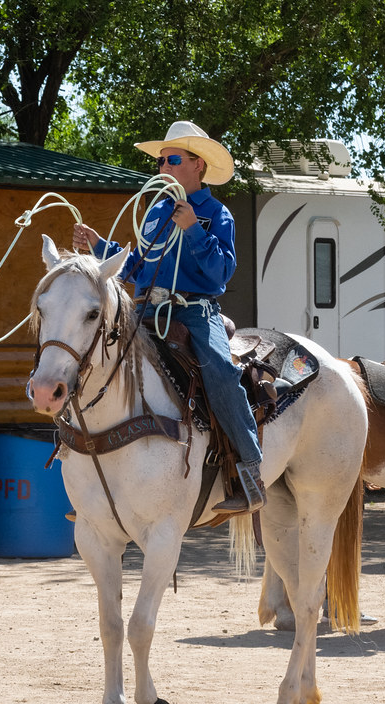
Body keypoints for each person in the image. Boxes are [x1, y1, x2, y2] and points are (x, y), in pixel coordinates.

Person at [72, 120, 264, 514]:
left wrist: (193, 229)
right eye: (160, 160)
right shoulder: (156, 212)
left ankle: (250, 471)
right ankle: (86, 470)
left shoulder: (216, 214)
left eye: (171, 159)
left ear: (198, 165)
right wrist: (98, 247)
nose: (162, 167)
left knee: (220, 372)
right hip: (146, 308)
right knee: (93, 354)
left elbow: (221, 273)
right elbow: (138, 268)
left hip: (195, 311)